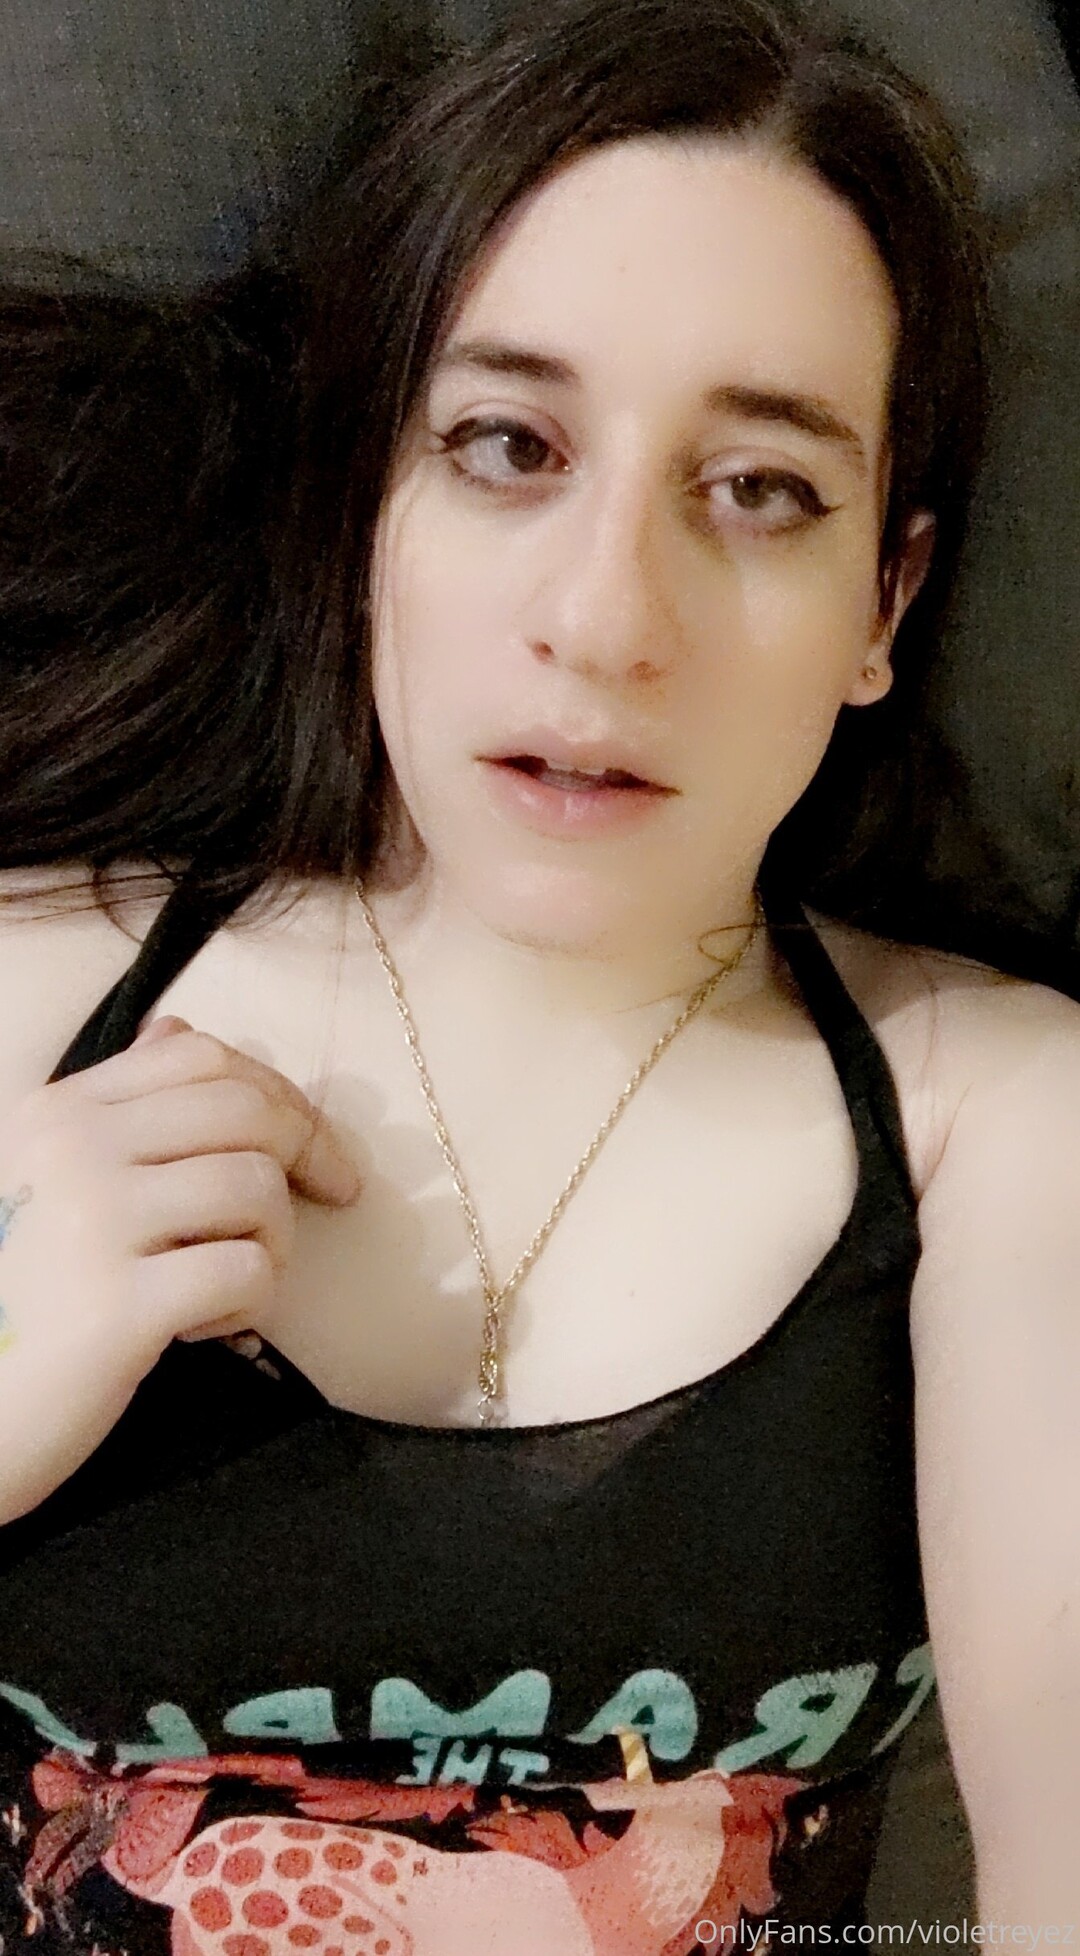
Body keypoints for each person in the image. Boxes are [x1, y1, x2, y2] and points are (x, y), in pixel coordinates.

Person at [0, 0, 1076, 1941]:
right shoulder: (30, 995)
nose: (605, 617)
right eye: (508, 447)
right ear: (360, 504)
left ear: (886, 603)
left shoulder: (998, 1119)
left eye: (760, 489)